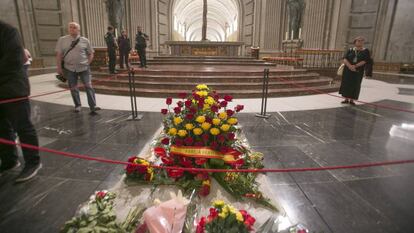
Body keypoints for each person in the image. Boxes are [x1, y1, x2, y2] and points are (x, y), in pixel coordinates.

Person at [0, 20, 42, 182]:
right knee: (2, 128)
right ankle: (10, 160)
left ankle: (33, 162)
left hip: (13, 89)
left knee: (23, 126)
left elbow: (13, 60)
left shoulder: (8, 31)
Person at [56, 22, 101, 114]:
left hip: (84, 68)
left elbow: (91, 53)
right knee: (73, 87)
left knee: (89, 86)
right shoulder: (62, 40)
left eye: (74, 27)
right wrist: (59, 68)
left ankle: (93, 106)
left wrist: (88, 63)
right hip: (69, 68)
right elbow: (59, 55)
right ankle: (77, 105)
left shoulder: (85, 40)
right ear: (68, 29)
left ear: (78, 29)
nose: (72, 29)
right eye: (70, 27)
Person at [339, 36, 371, 105]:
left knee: (355, 84)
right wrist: (350, 66)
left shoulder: (366, 51)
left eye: (362, 40)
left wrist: (355, 66)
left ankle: (352, 100)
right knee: (346, 83)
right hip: (348, 70)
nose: (360, 42)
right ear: (355, 42)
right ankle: (346, 99)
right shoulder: (350, 50)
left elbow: (365, 60)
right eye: (358, 40)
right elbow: (345, 58)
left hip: (358, 71)